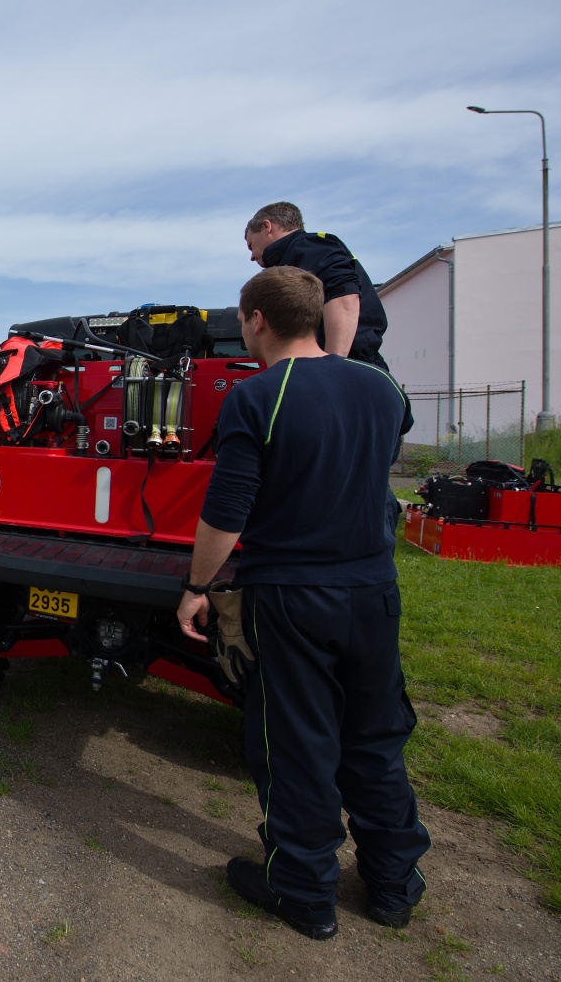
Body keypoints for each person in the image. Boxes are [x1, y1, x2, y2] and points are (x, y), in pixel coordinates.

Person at [176, 267, 428, 940]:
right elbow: (376, 459)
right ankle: (394, 884)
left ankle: (305, 891)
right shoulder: (382, 389)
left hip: (292, 595)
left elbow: (226, 516)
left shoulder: (259, 397)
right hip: (373, 590)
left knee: (297, 741)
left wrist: (197, 588)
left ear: (256, 319)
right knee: (375, 738)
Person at [245, 201, 390, 367]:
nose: (251, 256)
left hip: (352, 365)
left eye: (251, 246)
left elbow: (344, 295)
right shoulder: (297, 255)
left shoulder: (310, 247)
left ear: (266, 226)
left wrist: (332, 368)